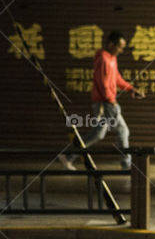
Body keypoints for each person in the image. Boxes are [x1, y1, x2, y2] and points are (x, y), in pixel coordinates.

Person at [60, 31, 144, 170]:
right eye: (120, 47)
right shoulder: (103, 59)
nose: (121, 50)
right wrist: (111, 101)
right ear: (111, 44)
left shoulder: (112, 58)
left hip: (106, 102)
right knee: (116, 131)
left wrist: (131, 89)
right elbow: (103, 83)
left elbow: (116, 78)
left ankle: (69, 156)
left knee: (109, 132)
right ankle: (126, 165)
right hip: (104, 104)